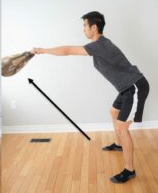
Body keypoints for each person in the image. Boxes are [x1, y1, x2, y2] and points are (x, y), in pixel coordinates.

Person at [32, 11, 149, 183]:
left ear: (94, 27)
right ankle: (118, 145)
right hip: (125, 89)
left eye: (85, 26)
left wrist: (43, 50)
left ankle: (129, 170)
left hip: (135, 87)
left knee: (123, 129)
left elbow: (67, 50)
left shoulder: (100, 45)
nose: (83, 30)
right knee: (113, 112)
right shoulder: (100, 44)